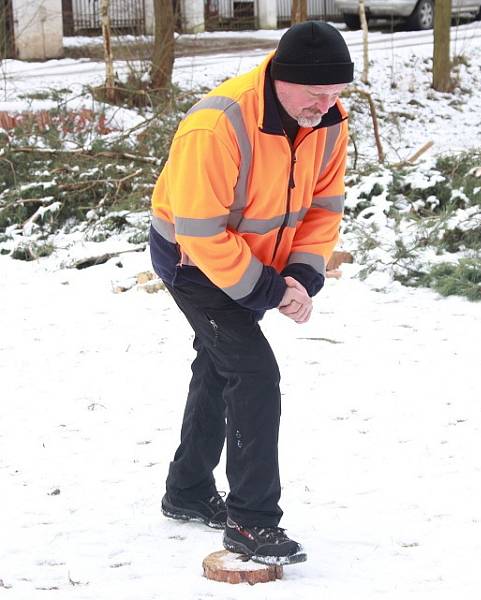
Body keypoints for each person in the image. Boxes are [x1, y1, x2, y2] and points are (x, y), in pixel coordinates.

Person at [148, 21, 353, 565]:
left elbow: (323, 207)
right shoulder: (217, 125)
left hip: (255, 259)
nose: (327, 105)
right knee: (254, 373)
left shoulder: (328, 121)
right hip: (194, 259)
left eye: (336, 94)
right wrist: (268, 290)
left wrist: (303, 277)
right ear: (281, 79)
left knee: (219, 365)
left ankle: (188, 491)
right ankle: (251, 522)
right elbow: (200, 230)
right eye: (316, 94)